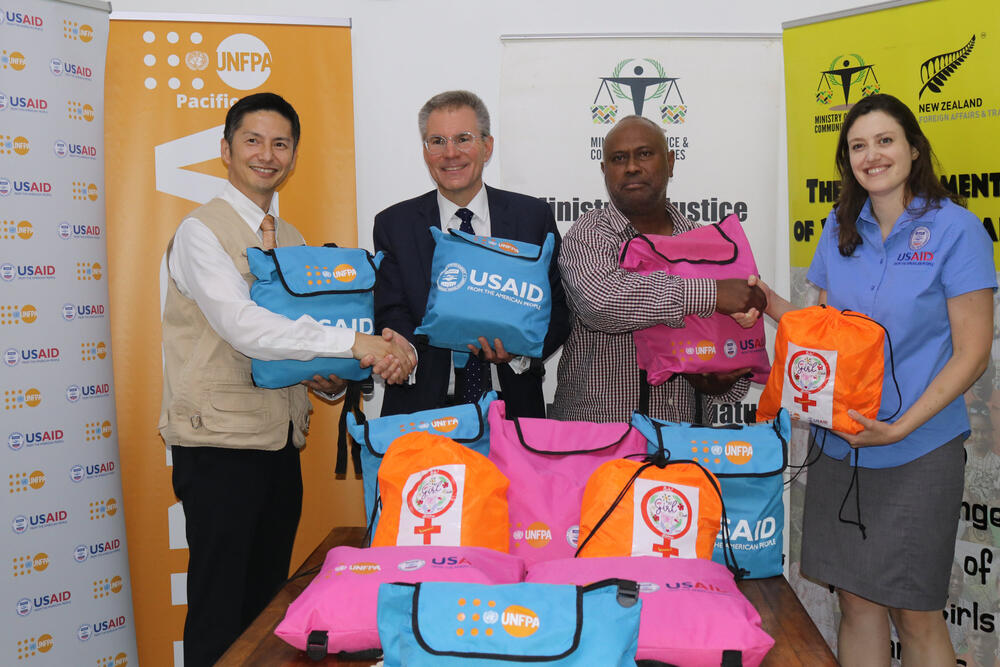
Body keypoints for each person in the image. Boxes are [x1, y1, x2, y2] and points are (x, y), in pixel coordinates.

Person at [159, 92, 414, 667]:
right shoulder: (201, 232)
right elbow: (245, 326)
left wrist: (327, 378)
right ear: (225, 150)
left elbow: (296, 345)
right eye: (252, 141)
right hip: (219, 446)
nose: (266, 155)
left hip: (278, 445)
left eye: (280, 144)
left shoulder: (294, 239)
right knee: (218, 610)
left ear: (293, 156)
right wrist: (357, 344)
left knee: (267, 607)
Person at [745, 94, 995, 666]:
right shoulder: (838, 227)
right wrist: (762, 303)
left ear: (913, 147)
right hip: (842, 446)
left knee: (916, 613)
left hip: (918, 449)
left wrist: (898, 426)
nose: (872, 155)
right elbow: (822, 333)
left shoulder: (956, 230)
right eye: (858, 146)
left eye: (885, 141)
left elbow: (974, 353)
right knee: (856, 603)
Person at [549, 114, 765, 423]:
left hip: (681, 438)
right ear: (604, 170)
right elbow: (602, 303)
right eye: (618, 158)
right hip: (599, 440)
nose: (632, 166)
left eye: (645, 154)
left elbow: (728, 354)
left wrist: (721, 382)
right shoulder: (589, 233)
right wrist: (711, 293)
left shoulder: (705, 241)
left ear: (671, 162)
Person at [374, 90, 569, 418]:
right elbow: (392, 310)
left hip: (514, 411)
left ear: (487, 146)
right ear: (425, 151)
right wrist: (403, 352)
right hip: (422, 413)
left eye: (463, 139)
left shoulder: (532, 217)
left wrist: (519, 351)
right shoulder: (395, 224)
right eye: (437, 141)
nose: (450, 153)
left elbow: (560, 308)